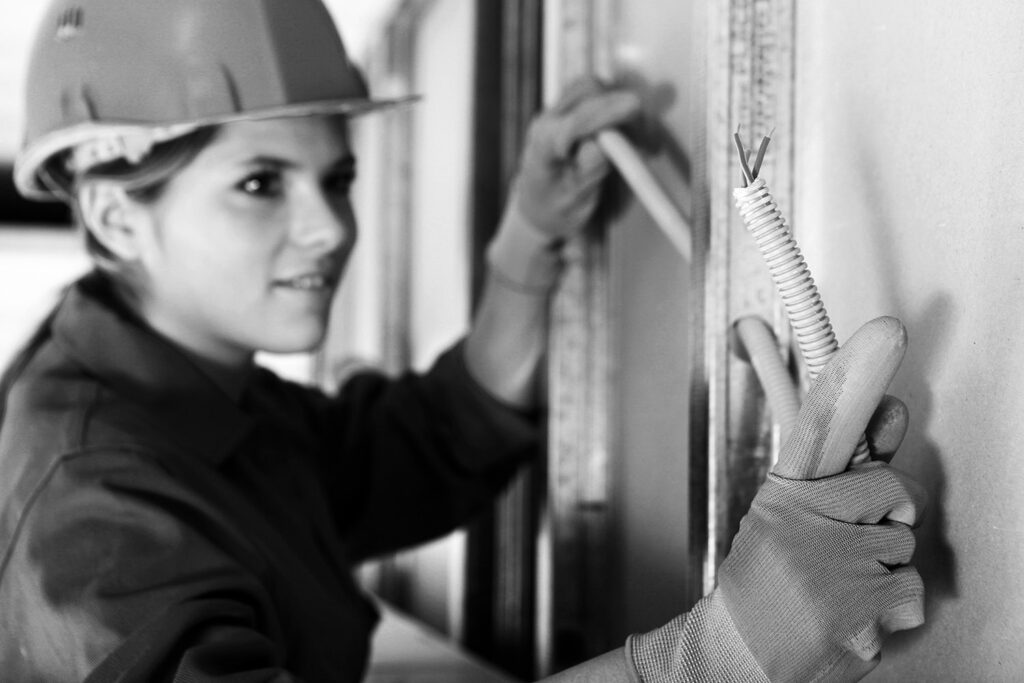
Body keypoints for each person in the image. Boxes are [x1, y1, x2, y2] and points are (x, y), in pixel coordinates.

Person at [0, 0, 926, 680]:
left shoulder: (196, 396)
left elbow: (417, 450)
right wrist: (720, 653)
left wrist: (527, 248)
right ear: (118, 217)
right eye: (259, 184)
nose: (331, 228)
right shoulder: (94, 508)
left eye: (339, 176)